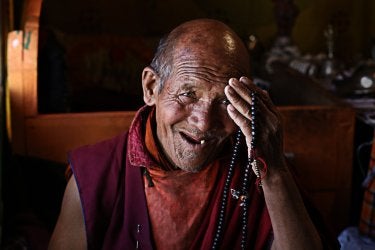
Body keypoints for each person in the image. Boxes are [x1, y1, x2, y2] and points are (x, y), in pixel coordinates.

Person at [48, 18, 338, 249]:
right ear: (151, 87)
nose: (203, 123)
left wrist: (274, 170)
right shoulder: (96, 173)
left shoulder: (258, 167)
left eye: (225, 101)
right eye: (188, 94)